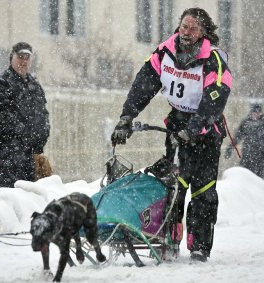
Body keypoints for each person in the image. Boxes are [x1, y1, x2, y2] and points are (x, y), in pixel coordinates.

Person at [111, 8, 232, 262]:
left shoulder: (213, 59)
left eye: (193, 29)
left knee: (203, 190)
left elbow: (215, 97)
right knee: (174, 187)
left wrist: (194, 128)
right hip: (177, 125)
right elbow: (144, 83)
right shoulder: (164, 51)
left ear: (203, 33)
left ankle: (199, 246)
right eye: (184, 26)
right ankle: (170, 240)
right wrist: (126, 117)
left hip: (206, 131)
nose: (186, 32)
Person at [0, 42, 50, 188]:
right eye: (20, 57)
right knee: (8, 195)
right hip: (6, 153)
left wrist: (41, 137)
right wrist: (23, 134)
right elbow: (0, 118)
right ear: (12, 58)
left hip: (30, 154)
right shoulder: (1, 84)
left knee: (29, 197)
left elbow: (42, 115)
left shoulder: (34, 85)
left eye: (27, 58)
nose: (23, 62)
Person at [225, 103, 264, 178]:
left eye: (257, 113)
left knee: (259, 179)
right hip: (248, 155)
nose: (255, 115)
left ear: (260, 113)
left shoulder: (262, 124)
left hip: (261, 156)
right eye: (253, 113)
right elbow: (237, 137)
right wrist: (230, 148)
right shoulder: (246, 123)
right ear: (251, 113)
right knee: (245, 176)